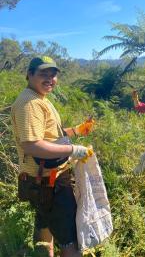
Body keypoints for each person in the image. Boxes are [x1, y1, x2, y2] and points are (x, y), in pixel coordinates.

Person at [11, 56, 91, 257]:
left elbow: (49, 135)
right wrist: (73, 150)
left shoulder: (38, 99)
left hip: (42, 180)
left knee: (45, 222)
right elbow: (32, 145)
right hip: (49, 181)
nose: (50, 79)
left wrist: (76, 130)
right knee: (71, 239)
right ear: (29, 75)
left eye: (53, 74)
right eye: (43, 74)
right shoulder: (30, 103)